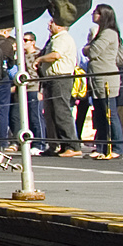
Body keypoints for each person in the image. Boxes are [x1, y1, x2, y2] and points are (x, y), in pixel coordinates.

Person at [84, 3, 123, 160]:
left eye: (97, 12)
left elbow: (92, 52)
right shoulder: (101, 33)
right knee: (99, 115)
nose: (94, 14)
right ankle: (101, 147)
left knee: (110, 114)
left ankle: (117, 147)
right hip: (96, 79)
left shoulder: (109, 33)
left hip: (106, 79)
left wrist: (87, 48)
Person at [36, 20, 82, 156]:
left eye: (52, 23)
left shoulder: (62, 38)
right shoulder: (53, 39)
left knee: (61, 112)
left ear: (60, 25)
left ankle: (71, 145)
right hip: (51, 79)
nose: (48, 25)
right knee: (51, 113)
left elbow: (56, 55)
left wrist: (40, 59)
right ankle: (57, 144)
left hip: (60, 78)